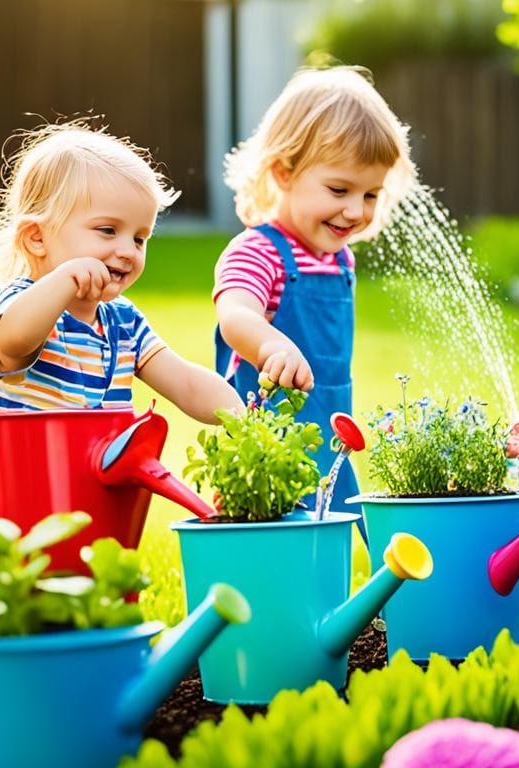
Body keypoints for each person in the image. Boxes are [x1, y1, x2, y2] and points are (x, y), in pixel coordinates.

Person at [0, 120, 244, 586]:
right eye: (108, 230)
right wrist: (63, 283)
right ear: (38, 239)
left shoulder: (122, 322)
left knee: (81, 607)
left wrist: (242, 419)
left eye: (140, 237)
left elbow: (184, 382)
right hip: (1, 504)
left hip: (82, 500)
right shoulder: (27, 305)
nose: (127, 250)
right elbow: (11, 344)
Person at [214, 66, 415, 520]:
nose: (354, 210)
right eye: (339, 189)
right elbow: (235, 314)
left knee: (333, 533)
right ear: (284, 173)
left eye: (370, 195)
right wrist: (271, 345)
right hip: (269, 446)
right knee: (276, 537)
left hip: (330, 436)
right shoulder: (258, 250)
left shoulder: (339, 260)